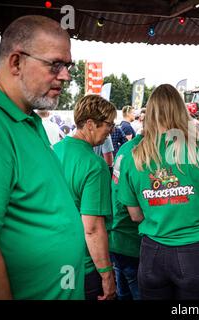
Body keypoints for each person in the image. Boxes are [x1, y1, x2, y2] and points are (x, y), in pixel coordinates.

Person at [117, 84, 199, 300]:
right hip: (194, 253)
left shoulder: (133, 156)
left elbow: (135, 215)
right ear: (181, 111)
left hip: (152, 254)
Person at [0, 15, 85, 300]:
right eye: (55, 65)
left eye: (67, 66)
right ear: (16, 63)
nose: (66, 76)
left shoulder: (28, 119)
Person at [53, 94, 117, 300]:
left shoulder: (53, 150)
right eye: (108, 125)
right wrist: (107, 275)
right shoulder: (94, 165)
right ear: (90, 124)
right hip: (84, 266)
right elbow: (92, 228)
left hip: (54, 259)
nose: (110, 131)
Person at [110, 130, 144, 300]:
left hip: (117, 234)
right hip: (131, 239)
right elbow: (137, 214)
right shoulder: (141, 152)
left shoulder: (126, 148)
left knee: (123, 292)